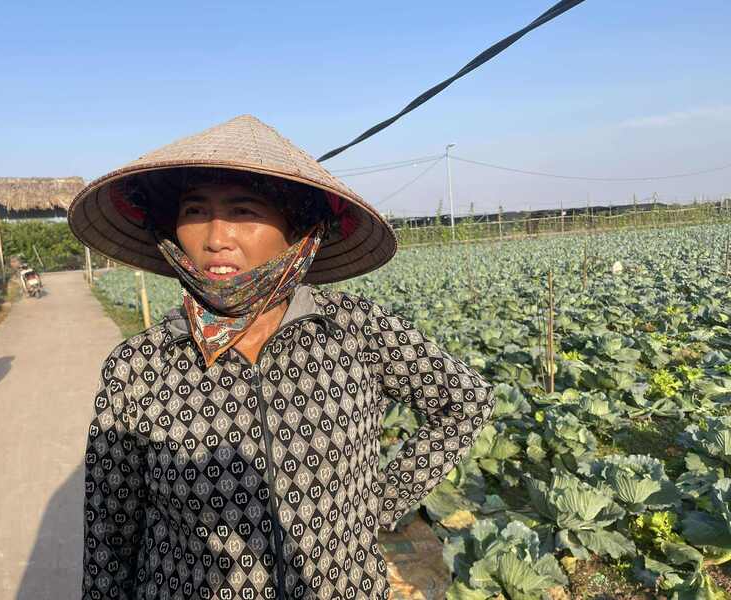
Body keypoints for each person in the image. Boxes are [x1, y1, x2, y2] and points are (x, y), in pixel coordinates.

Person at [68, 115, 495, 600]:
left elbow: (466, 402)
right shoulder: (139, 366)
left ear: (298, 230)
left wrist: (376, 504)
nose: (215, 237)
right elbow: (110, 533)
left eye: (244, 211)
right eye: (194, 210)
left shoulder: (356, 329)